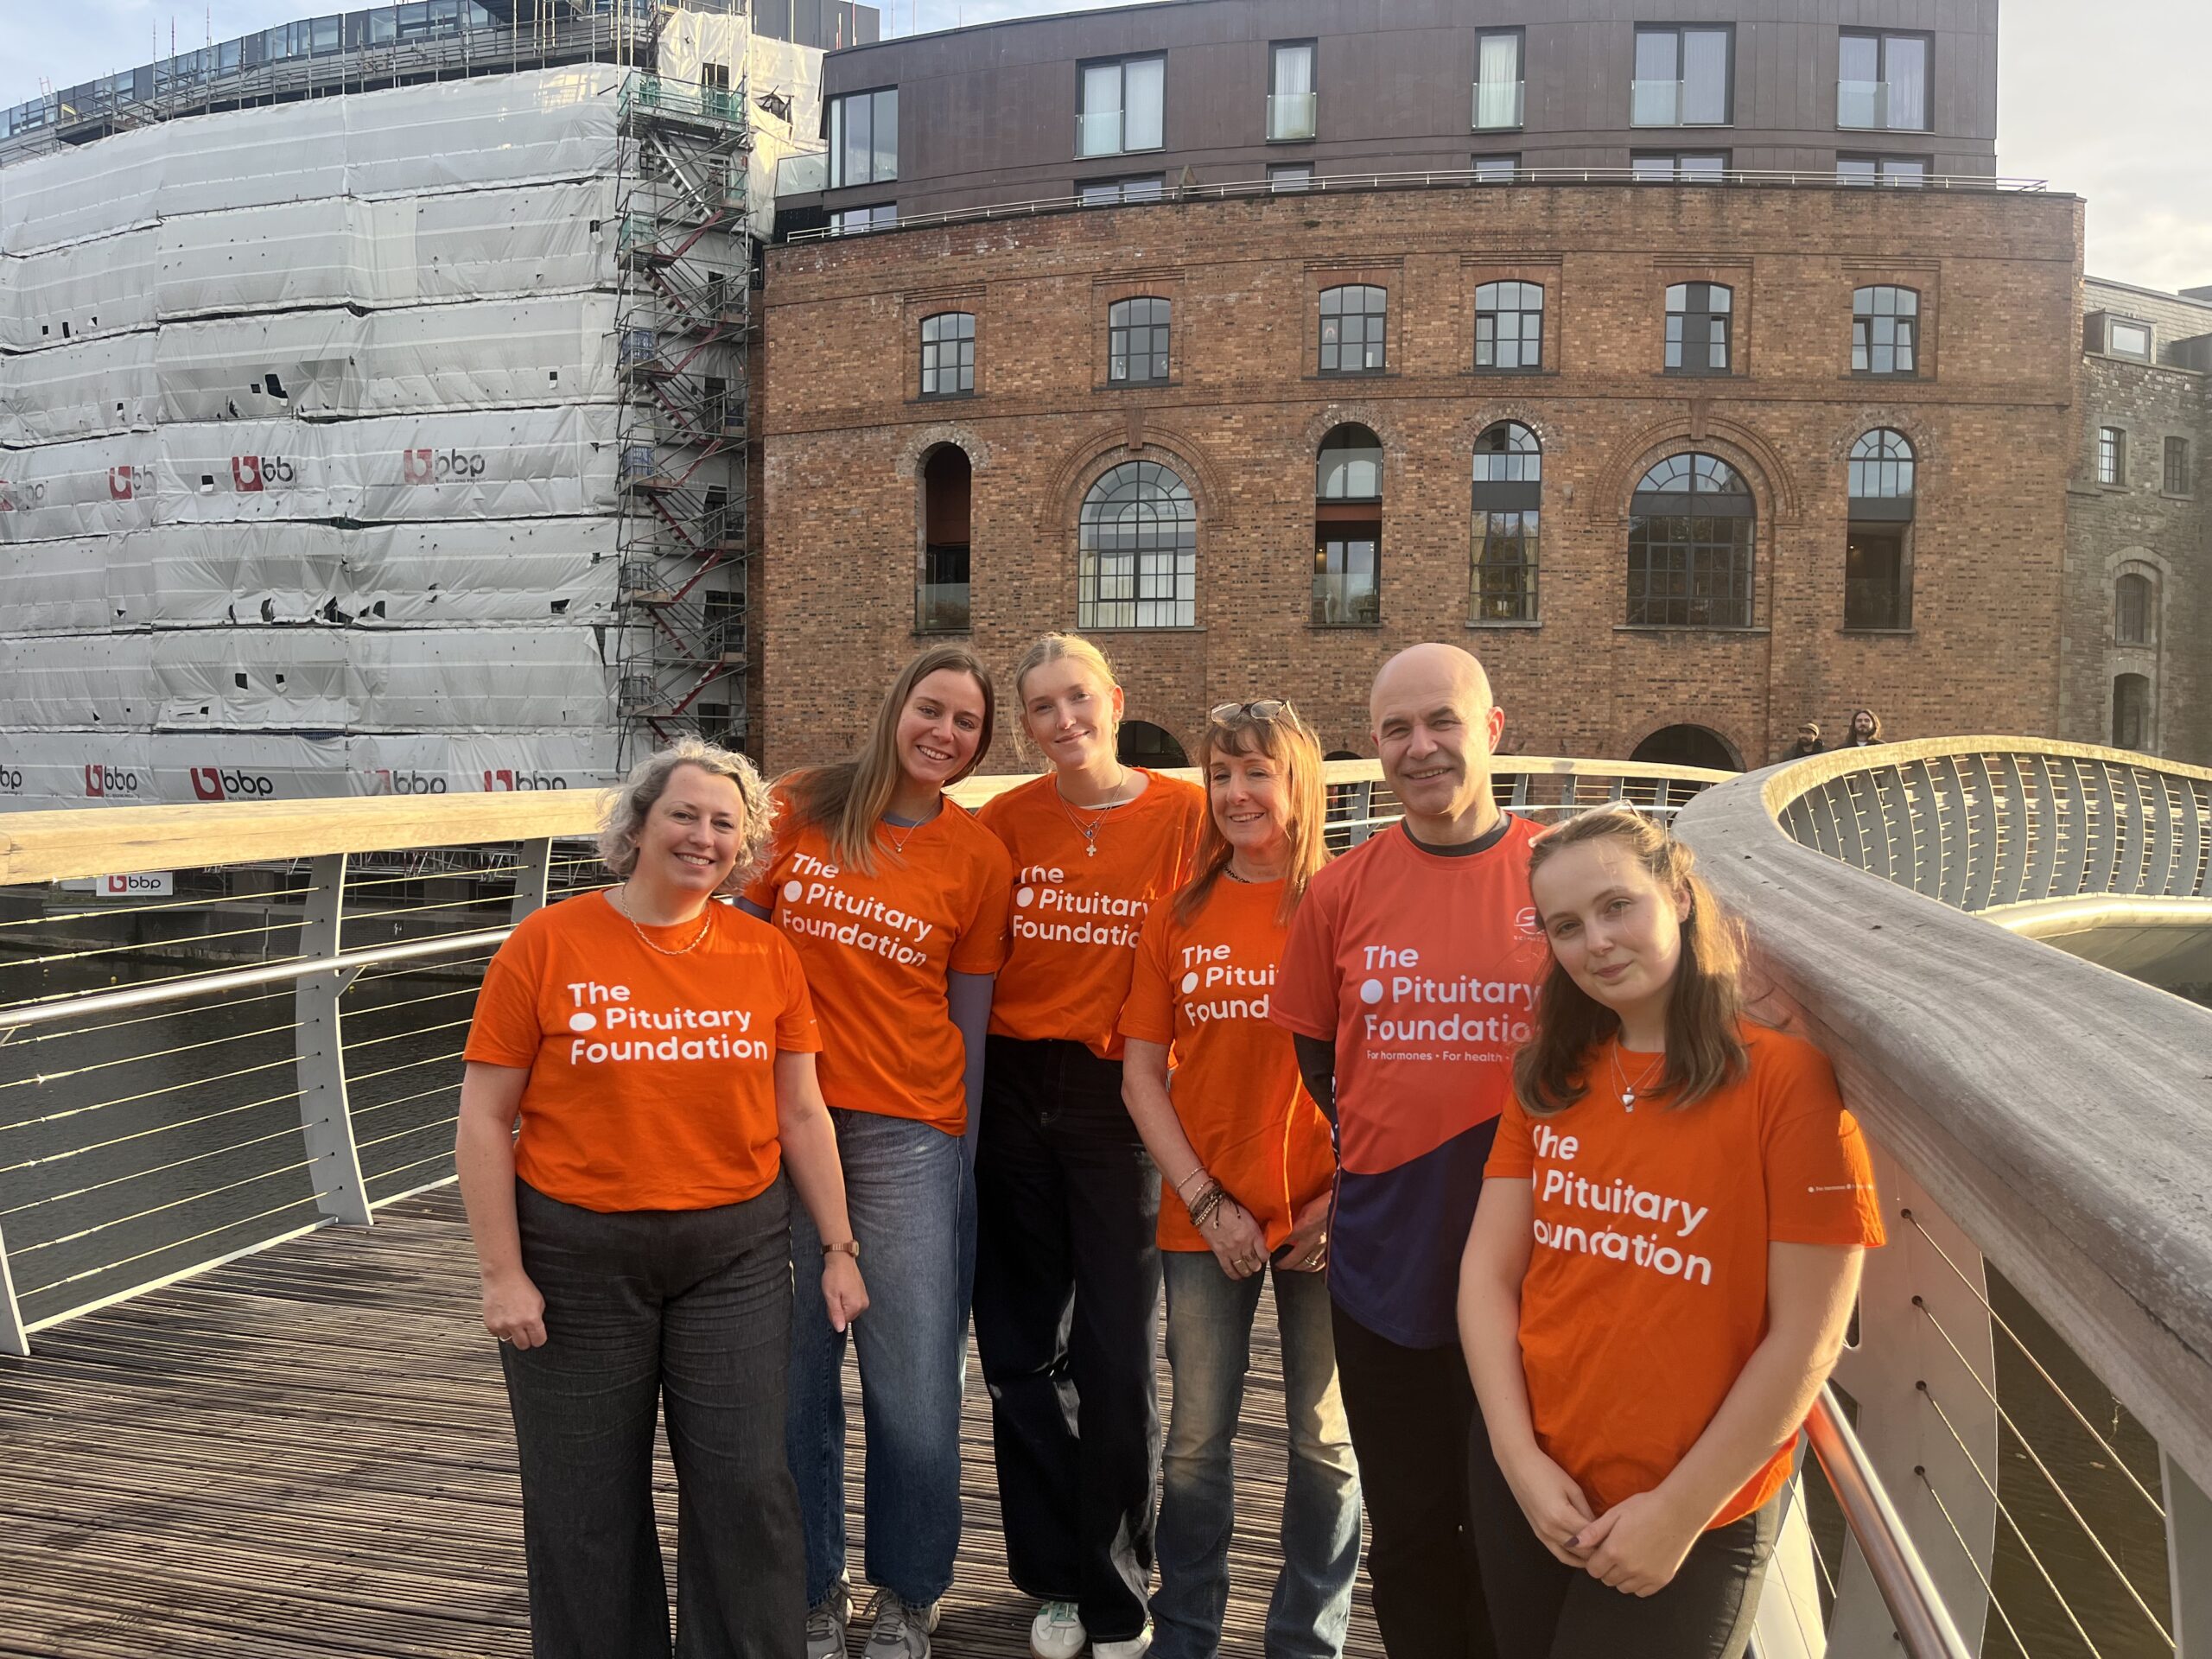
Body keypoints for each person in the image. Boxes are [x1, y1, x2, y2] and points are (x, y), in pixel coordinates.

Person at [455, 738, 868, 1659]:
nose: (703, 835)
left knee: (746, 1489)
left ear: (743, 847)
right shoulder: (547, 943)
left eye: (725, 823)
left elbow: (800, 1112)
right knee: (582, 1498)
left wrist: (839, 1251)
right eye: (683, 814)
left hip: (735, 1257)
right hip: (574, 1257)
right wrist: (501, 1275)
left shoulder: (766, 955)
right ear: (636, 826)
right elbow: (484, 1119)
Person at [1458, 807, 1883, 1657]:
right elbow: (1487, 1276)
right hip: (1533, 1477)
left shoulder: (1784, 1082)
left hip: (1695, 1505)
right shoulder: (1549, 1074)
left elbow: (1809, 1332)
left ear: (1679, 897)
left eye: (1618, 907)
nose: (1596, 943)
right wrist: (1516, 1459)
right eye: (1566, 927)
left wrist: (1681, 1511)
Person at [1272, 643, 1550, 1659]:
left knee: (1517, 1528)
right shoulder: (1341, 891)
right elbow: (1316, 1059)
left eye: (1441, 722)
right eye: (1396, 730)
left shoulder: (1557, 877)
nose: (1419, 747)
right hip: (1386, 1265)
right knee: (1412, 1527)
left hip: (1537, 1272)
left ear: (1491, 730)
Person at [741, 645, 1014, 1659]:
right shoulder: (801, 807)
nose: (944, 734)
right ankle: (813, 1591)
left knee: (911, 1380)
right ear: (893, 706)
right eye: (930, 710)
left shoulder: (980, 857)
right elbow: (733, 953)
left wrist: (960, 1162)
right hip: (786, 1121)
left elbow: (969, 1018)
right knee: (795, 1376)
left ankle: (910, 1590)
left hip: (910, 1132)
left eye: (966, 725)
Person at [973, 632, 1208, 1659]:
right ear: (1023, 726)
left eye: (1077, 699)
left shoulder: (1186, 816)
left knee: (1117, 1353)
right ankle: (1053, 1581)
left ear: (1114, 700)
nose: (1062, 721)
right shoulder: (1006, 821)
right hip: (1014, 1086)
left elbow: (1266, 908)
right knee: (1023, 1350)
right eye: (1039, 708)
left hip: (1126, 1098)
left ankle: (1118, 1579)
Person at [1120, 699, 1362, 1659]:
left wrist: (1347, 1198)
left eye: (1256, 771)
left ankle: (1308, 1638)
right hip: (1202, 1213)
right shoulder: (1176, 913)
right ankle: (1185, 1632)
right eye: (1220, 775)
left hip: (1329, 1211)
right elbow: (1140, 1075)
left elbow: (1391, 1067)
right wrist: (1206, 1200)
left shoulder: (1347, 906)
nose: (1235, 793)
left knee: (1323, 1441)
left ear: (1298, 781)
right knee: (1194, 1437)